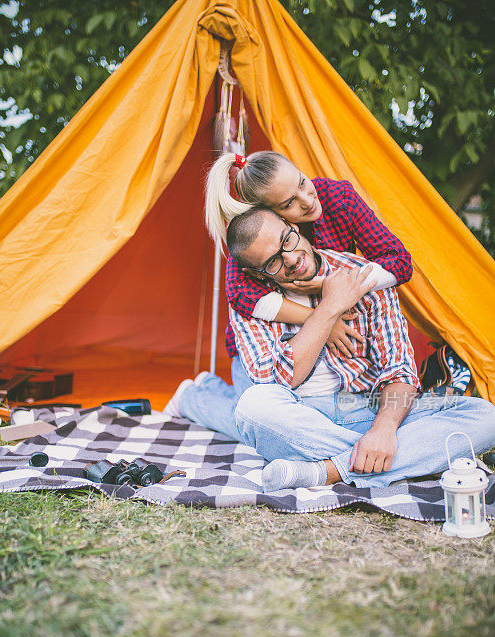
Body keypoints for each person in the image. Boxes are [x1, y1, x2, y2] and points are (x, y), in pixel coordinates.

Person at [223, 207, 494, 491]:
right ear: (255, 272)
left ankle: (327, 471)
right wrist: (329, 308)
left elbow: (399, 370)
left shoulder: (362, 275)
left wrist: (383, 431)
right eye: (273, 262)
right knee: (252, 408)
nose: (290, 259)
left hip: (365, 407)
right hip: (302, 417)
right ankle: (400, 455)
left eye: (286, 240)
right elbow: (277, 382)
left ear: (291, 224)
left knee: (486, 417)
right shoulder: (249, 301)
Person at [166, 151, 411, 434]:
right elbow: (241, 296)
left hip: (330, 356)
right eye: (289, 203)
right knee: (255, 426)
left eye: (302, 183)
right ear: (267, 213)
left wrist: (330, 286)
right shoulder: (255, 240)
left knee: (299, 425)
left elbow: (400, 262)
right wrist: (322, 317)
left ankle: (212, 390)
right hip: (270, 351)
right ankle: (192, 398)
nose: (308, 200)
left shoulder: (338, 198)